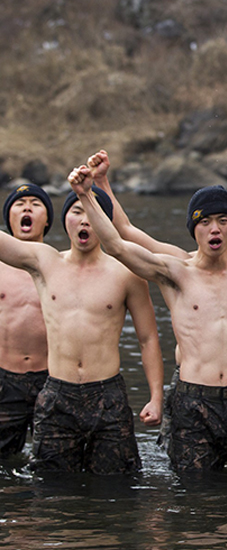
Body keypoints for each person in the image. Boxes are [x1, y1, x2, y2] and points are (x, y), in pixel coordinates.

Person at [67, 162, 227, 472]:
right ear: (193, 228)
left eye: (223, 221)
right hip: (192, 403)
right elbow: (118, 244)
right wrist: (87, 195)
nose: (214, 229)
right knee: (193, 494)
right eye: (205, 222)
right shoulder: (174, 273)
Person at [0, 180, 164, 474]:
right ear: (64, 219)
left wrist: (156, 397)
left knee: (119, 486)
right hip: (57, 395)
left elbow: (148, 338)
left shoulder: (126, 273)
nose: (85, 220)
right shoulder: (44, 262)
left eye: (94, 213)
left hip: (107, 396)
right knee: (51, 488)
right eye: (77, 211)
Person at [0, 184, 53, 458]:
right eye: (20, 204)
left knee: (52, 462)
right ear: (8, 218)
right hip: (4, 379)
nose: (28, 207)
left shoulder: (60, 266)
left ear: (48, 220)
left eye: (36, 203)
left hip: (53, 379)